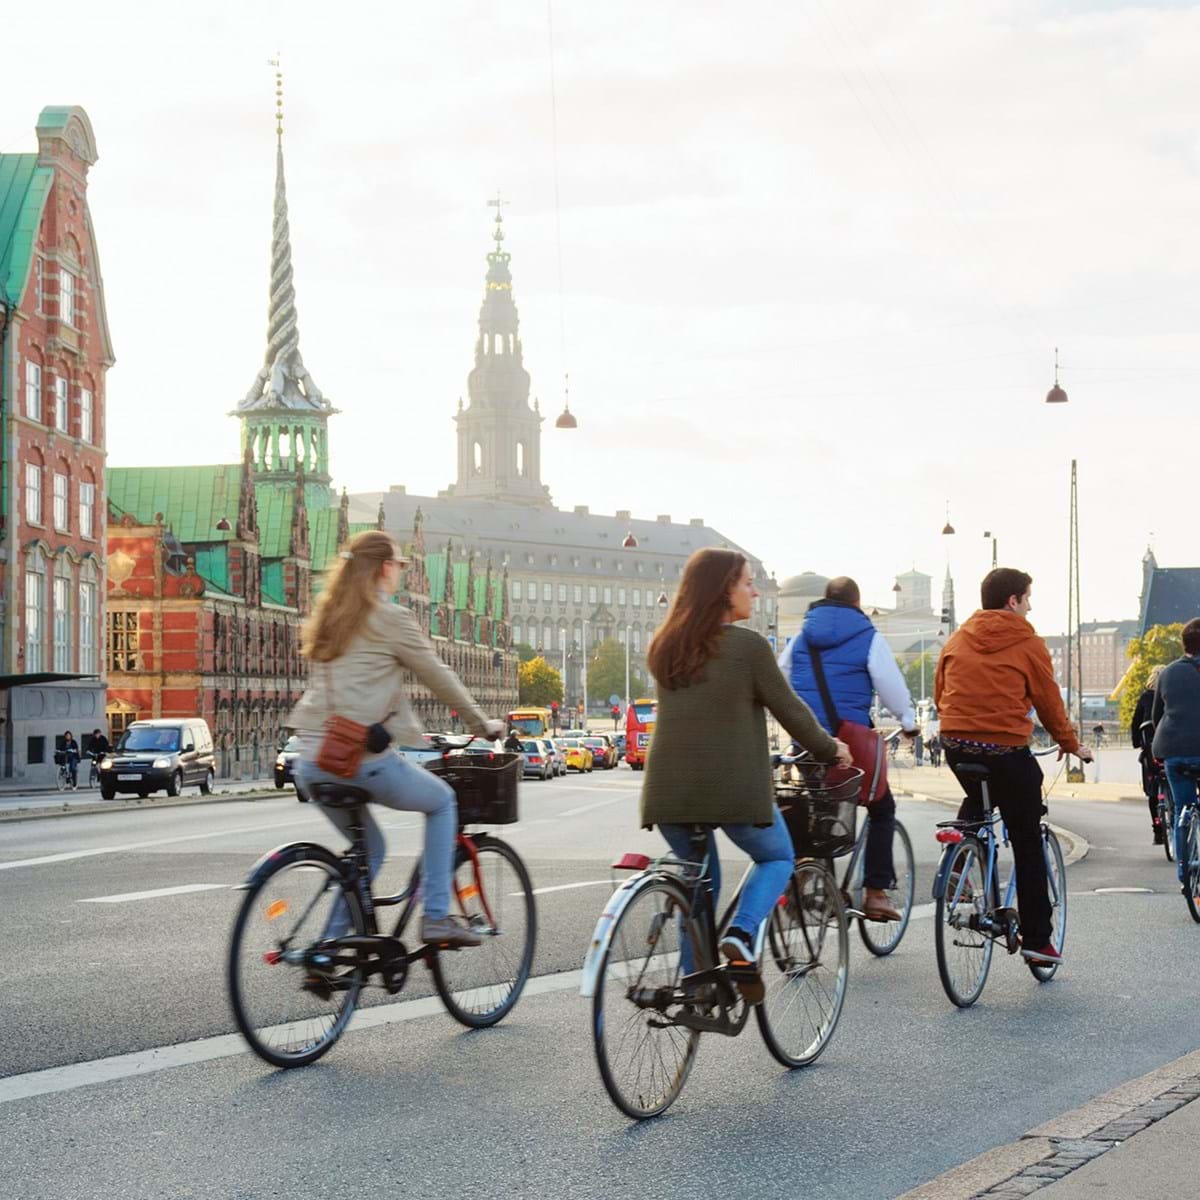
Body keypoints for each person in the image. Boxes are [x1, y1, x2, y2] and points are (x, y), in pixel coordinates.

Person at [641, 548, 851, 980]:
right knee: (777, 857)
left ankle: (694, 984)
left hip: (667, 793)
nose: (754, 592)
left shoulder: (665, 644)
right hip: (732, 791)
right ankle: (741, 932)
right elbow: (790, 711)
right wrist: (832, 748)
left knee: (701, 884)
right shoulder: (748, 647)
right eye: (747, 582)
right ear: (723, 590)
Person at [290, 530, 505, 948]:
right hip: (357, 756)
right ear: (383, 568)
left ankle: (328, 950)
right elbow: (437, 674)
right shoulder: (389, 617)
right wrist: (482, 724)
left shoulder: (329, 615)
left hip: (311, 758)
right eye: (397, 565)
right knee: (443, 802)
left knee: (369, 850)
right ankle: (437, 917)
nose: (399, 574)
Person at [935, 567, 1093, 967]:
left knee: (979, 794)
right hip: (1004, 749)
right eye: (1027, 598)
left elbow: (941, 692)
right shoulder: (1027, 641)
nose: (1030, 605)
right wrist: (1070, 745)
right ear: (1013, 601)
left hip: (955, 743)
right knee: (1026, 837)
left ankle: (962, 851)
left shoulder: (957, 638)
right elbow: (1047, 700)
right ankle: (1039, 940)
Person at [779, 576, 919, 922]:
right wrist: (908, 720)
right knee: (881, 806)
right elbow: (891, 686)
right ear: (857, 605)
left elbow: (779, 682)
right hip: (848, 745)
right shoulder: (868, 637)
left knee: (813, 804)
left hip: (806, 742)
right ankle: (875, 892)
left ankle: (807, 874)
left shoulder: (799, 639)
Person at [1151, 619, 1200, 883]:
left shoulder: (1167, 672)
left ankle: (1185, 871)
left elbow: (1156, 715)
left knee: (1183, 806)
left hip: (1173, 748)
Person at [1131, 665, 1166, 844]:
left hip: (1150, 753)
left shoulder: (1145, 698)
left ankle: (1157, 828)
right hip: (1169, 750)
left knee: (1152, 794)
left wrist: (1136, 742)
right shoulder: (1169, 696)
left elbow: (1135, 722)